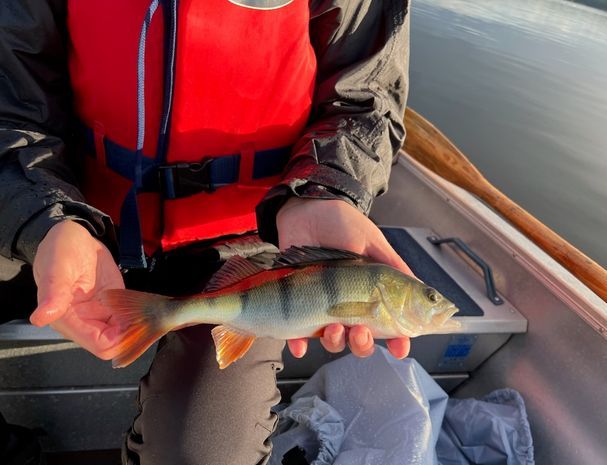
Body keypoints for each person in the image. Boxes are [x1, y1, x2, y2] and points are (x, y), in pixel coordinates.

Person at [0, 0, 411, 463]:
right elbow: (9, 104)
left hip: (252, 246)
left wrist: (323, 190)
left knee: (206, 449)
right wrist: (46, 220)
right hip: (73, 212)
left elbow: (364, 99)